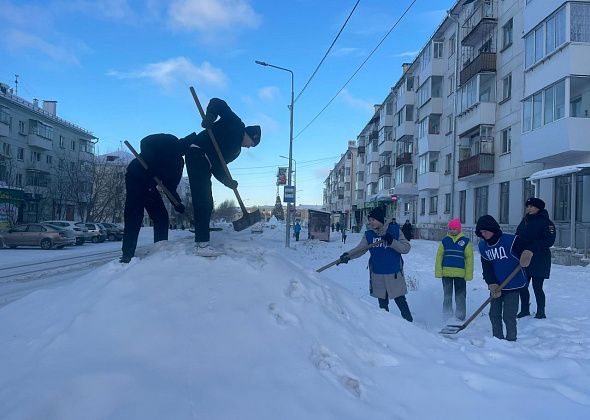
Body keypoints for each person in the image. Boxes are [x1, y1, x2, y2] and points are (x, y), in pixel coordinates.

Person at [180, 98, 261, 257]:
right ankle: (201, 245)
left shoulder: (235, 151)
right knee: (202, 200)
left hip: (205, 163)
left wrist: (226, 181)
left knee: (207, 202)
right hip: (197, 152)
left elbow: (218, 166)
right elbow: (218, 103)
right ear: (250, 135)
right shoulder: (236, 124)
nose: (249, 147)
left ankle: (201, 239)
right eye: (252, 143)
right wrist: (211, 115)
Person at [338, 207, 413, 322]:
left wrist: (392, 241)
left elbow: (406, 248)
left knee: (401, 301)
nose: (370, 222)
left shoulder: (394, 230)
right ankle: (385, 327)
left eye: (373, 220)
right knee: (382, 306)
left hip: (394, 274)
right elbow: (360, 249)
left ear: (380, 220)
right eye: (369, 220)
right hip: (378, 275)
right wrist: (348, 256)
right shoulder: (369, 235)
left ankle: (411, 326)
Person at [120, 134, 185, 263]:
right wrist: (150, 162)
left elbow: (169, 187)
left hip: (150, 185)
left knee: (161, 216)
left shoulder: (178, 163)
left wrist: (177, 203)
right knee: (134, 215)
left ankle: (160, 249)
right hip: (136, 177)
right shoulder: (169, 141)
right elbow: (146, 141)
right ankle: (127, 254)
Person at [475, 215, 530, 341]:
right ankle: (497, 340)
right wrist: (491, 283)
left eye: (485, 231)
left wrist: (527, 254)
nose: (484, 234)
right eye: (481, 232)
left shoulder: (510, 241)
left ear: (492, 228)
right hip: (497, 286)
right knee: (494, 314)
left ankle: (511, 340)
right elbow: (487, 268)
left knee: (508, 316)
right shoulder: (484, 247)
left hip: (513, 283)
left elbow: (528, 246)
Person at [516, 197, 556, 319]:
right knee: (523, 285)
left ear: (538, 208)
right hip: (524, 258)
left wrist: (532, 247)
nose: (529, 208)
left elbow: (549, 240)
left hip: (540, 259)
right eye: (528, 206)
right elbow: (518, 235)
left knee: (537, 286)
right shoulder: (525, 220)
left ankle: (541, 311)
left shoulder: (547, 223)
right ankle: (524, 310)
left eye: (532, 206)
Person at [435, 218, 474, 320]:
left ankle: (460, 316)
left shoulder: (465, 241)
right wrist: (439, 272)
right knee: (447, 296)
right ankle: (447, 315)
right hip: (446, 273)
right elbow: (439, 256)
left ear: (459, 229)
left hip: (460, 274)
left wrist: (468, 274)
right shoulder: (445, 241)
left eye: (454, 229)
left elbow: (469, 259)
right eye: (450, 229)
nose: (452, 231)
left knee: (460, 296)